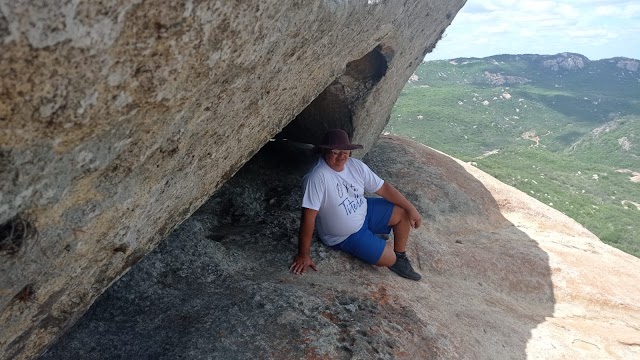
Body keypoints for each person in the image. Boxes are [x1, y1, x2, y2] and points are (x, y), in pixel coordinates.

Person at [290, 129, 423, 281]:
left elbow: (384, 188)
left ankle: (400, 256)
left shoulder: (355, 166)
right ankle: (390, 256)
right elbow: (308, 218)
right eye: (335, 151)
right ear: (324, 151)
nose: (342, 156)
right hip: (345, 235)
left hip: (364, 211)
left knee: (403, 212)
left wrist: (411, 208)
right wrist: (303, 254)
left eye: (345, 151)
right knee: (388, 258)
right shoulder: (317, 177)